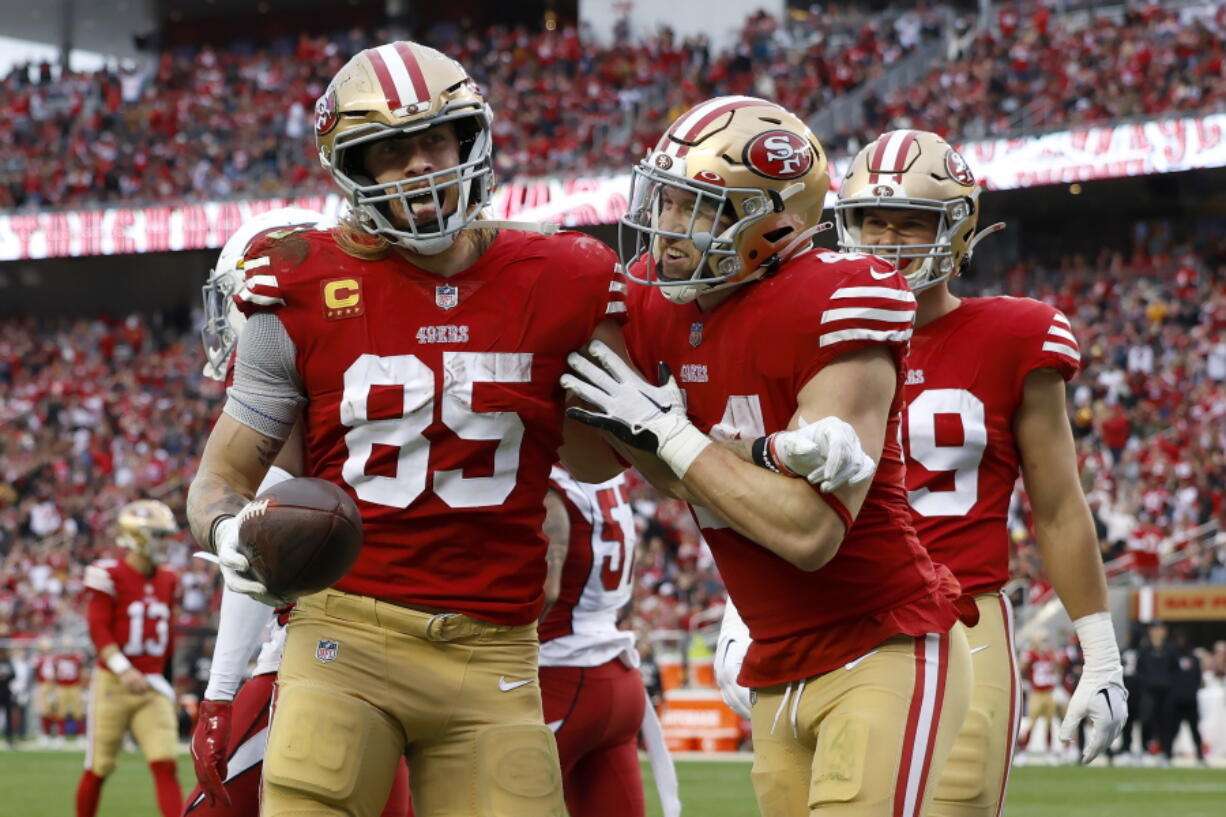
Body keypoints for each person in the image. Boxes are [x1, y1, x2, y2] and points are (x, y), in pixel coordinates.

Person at [187, 40, 628, 817]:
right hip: (343, 634)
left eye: (433, 140)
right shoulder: (293, 276)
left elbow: (595, 464)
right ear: (350, 170)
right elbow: (220, 478)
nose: (418, 166)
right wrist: (230, 535)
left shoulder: (570, 275)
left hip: (495, 643)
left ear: (471, 138)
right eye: (387, 152)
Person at [563, 97, 972, 817]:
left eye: (696, 208)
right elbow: (601, 462)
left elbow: (810, 534)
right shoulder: (658, 305)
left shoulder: (839, 297)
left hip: (882, 640)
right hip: (776, 658)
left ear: (773, 221)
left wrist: (673, 436)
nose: (668, 229)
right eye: (665, 201)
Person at [718, 128, 1127, 813]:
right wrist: (740, 608)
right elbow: (760, 483)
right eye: (872, 220)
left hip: (962, 618)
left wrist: (1100, 650)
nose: (888, 240)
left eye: (912, 222)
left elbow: (1058, 506)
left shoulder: (1015, 335)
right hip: (824, 613)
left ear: (960, 230)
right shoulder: (805, 330)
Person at [187, 208, 413, 817]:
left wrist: (219, 693)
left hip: (323, 650)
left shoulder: (281, 341)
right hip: (419, 639)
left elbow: (260, 535)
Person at [538, 465, 680, 817]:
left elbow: (546, 591)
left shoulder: (548, 481)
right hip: (618, 678)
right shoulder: (606, 472)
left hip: (558, 674)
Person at [75, 499, 183, 817]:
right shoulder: (107, 573)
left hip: (151, 684)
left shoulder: (169, 579)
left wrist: (168, 681)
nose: (165, 543)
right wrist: (123, 670)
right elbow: (98, 629)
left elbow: (169, 639)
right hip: (113, 682)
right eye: (159, 535)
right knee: (99, 766)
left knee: (166, 763)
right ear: (138, 535)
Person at [1137, 621, 1178, 765]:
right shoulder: (1144, 649)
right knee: (1146, 720)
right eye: (1154, 629)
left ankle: (1166, 753)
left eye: (1160, 629)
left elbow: (1175, 670)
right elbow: (1139, 670)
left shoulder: (1170, 649)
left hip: (1166, 692)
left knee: (1166, 723)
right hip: (1149, 691)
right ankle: (1144, 750)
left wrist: (1170, 685)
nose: (1157, 632)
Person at [1017, 635, 1064, 762]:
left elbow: (1058, 669)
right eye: (1042, 641)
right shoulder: (1030, 654)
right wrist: (1023, 684)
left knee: (1050, 723)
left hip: (1049, 692)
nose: (1045, 644)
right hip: (1036, 693)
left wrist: (1057, 681)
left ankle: (1049, 751)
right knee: (1032, 723)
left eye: (1045, 641)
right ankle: (1023, 751)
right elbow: (1020, 668)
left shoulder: (1050, 655)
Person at [1170, 630, 1205, 765]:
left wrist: (1191, 692)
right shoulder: (1173, 657)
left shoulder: (1193, 658)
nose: (1181, 641)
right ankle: (1168, 753)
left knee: (1195, 729)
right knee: (1173, 729)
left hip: (1190, 700)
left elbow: (1197, 678)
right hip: (1176, 700)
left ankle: (1200, 755)